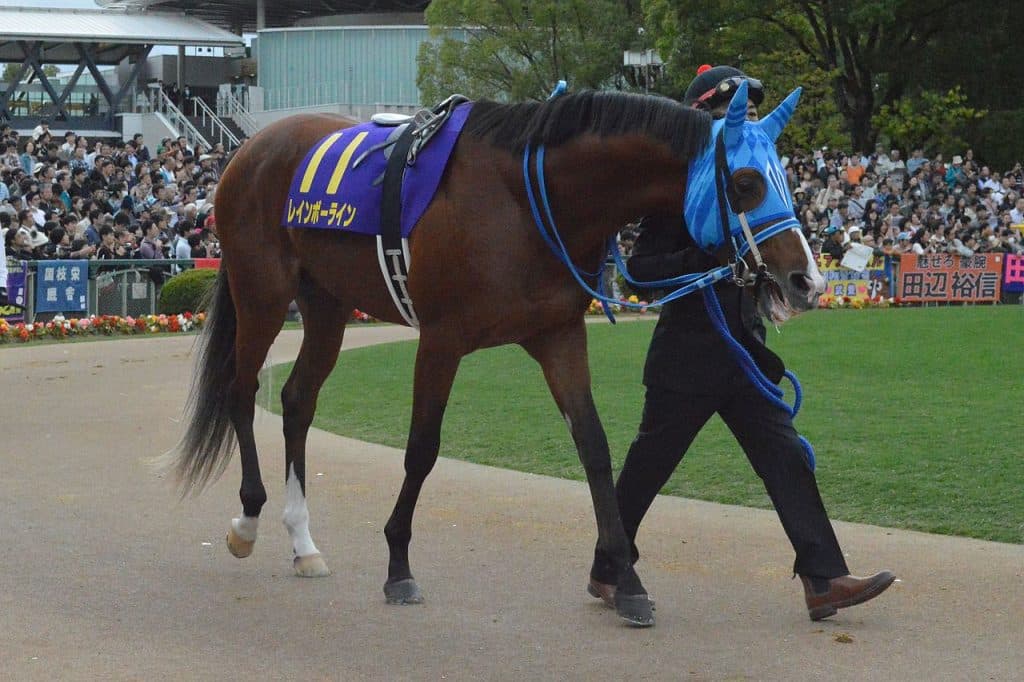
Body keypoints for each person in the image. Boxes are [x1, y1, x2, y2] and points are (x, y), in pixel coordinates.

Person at [588, 65, 894, 622]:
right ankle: (608, 568)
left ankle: (822, 578)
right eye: (735, 113)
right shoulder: (679, 189)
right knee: (649, 468)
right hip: (686, 356)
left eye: (751, 114)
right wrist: (702, 259)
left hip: (742, 352)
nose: (746, 122)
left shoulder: (753, 180)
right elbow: (640, 270)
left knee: (785, 455)